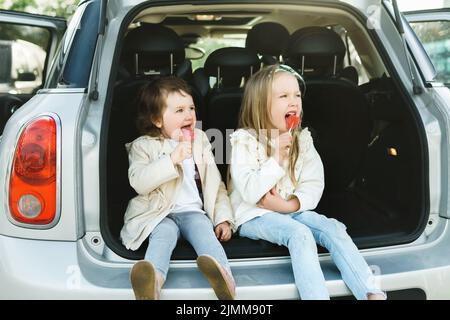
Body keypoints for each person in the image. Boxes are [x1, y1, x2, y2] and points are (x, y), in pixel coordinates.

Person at [228, 64, 386, 300]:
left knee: (332, 228)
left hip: (289, 210)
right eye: (283, 96)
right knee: (299, 234)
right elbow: (251, 191)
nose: (293, 102)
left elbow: (314, 182)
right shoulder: (244, 141)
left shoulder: (302, 140)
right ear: (260, 105)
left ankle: (370, 291)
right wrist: (276, 157)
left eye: (297, 95)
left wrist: (289, 205)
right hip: (252, 215)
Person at [120, 76, 235, 300]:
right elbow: (139, 182)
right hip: (159, 213)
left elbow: (215, 183)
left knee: (205, 234)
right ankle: (152, 284)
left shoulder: (200, 140)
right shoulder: (143, 146)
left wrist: (223, 218)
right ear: (157, 120)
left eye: (191, 108)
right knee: (164, 234)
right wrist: (171, 159)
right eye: (179, 110)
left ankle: (225, 281)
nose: (189, 115)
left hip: (193, 212)